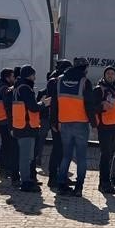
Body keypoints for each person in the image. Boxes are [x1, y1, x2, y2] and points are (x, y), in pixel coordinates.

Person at [56, 57, 96, 196]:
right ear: (85, 68)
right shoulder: (85, 82)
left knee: (66, 156)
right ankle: (78, 188)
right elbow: (89, 105)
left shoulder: (60, 80)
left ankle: (61, 185)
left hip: (64, 123)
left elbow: (55, 102)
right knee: (81, 158)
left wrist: (56, 121)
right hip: (80, 123)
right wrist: (94, 124)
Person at [11, 65, 42, 192]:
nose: (35, 77)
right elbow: (33, 107)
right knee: (26, 156)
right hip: (26, 126)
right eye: (33, 75)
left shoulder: (18, 87)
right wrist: (43, 103)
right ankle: (26, 182)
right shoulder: (25, 88)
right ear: (29, 75)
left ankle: (26, 179)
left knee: (26, 156)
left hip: (21, 125)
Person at [95, 66, 115, 195]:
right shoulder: (99, 89)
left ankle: (107, 182)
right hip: (104, 127)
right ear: (104, 75)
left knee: (110, 155)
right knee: (106, 156)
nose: (110, 75)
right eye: (108, 73)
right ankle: (104, 184)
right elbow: (91, 107)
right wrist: (102, 106)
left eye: (112, 73)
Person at [46, 59, 72, 190]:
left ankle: (62, 175)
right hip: (57, 120)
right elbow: (54, 104)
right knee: (58, 150)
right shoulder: (55, 81)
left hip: (62, 119)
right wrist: (55, 122)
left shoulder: (59, 80)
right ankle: (53, 177)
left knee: (63, 151)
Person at [0, 67, 18, 184]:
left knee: (5, 145)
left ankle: (4, 169)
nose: (14, 78)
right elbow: (8, 105)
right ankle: (5, 169)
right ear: (7, 78)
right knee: (8, 146)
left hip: (1, 119)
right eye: (12, 76)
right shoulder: (4, 88)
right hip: (5, 120)